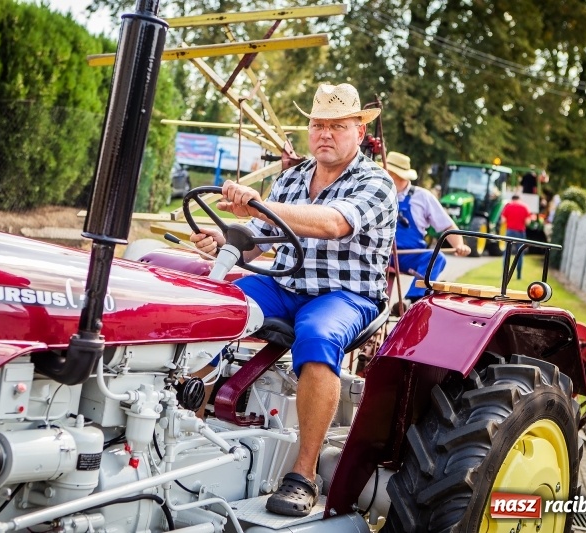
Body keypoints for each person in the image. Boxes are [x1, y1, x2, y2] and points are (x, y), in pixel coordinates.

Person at [190, 82, 397, 517]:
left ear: (359, 132)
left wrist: (261, 206)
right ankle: (191, 427)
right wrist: (223, 240)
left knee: (318, 336)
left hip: (346, 295)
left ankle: (303, 475)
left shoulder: (375, 182)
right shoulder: (292, 178)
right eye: (318, 124)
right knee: (213, 304)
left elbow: (334, 224)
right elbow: (259, 242)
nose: (325, 134)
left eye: (337, 126)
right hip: (286, 286)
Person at [385, 152, 470, 315]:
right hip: (380, 254)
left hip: (409, 255)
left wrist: (459, 245)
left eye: (389, 173)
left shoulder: (422, 197)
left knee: (436, 258)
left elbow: (447, 226)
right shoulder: (377, 192)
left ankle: (411, 301)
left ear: (395, 175)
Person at [500, 194, 533, 279]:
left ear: (512, 199)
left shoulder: (508, 206)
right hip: (520, 232)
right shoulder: (525, 207)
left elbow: (503, 220)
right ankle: (518, 275)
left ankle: (505, 274)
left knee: (507, 253)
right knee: (520, 253)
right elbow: (527, 222)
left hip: (510, 232)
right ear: (519, 199)